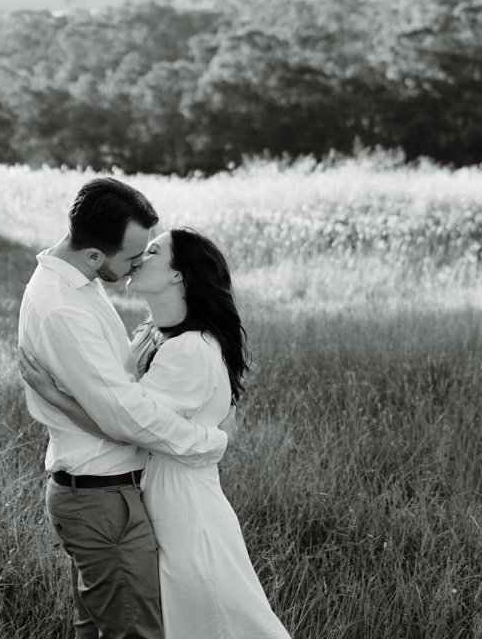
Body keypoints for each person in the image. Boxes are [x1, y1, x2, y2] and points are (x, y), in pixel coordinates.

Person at [24, 224, 291, 639]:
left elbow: (126, 426)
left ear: (177, 275)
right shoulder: (155, 335)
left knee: (215, 620)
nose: (136, 259)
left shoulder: (188, 349)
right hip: (160, 494)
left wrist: (53, 397)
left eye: (151, 252)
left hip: (184, 508)